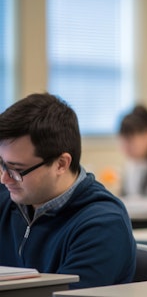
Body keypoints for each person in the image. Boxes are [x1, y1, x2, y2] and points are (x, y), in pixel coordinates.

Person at [0, 93, 135, 289]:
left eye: (17, 170)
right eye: (2, 164)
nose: (4, 178)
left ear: (61, 164)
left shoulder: (102, 225)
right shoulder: (8, 199)